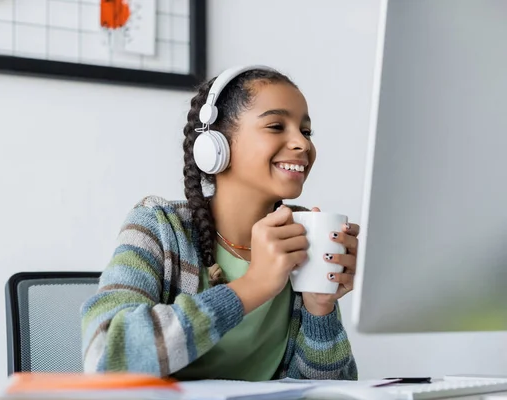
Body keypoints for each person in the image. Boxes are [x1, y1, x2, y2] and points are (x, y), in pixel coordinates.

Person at [80, 65, 359, 381]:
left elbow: (330, 390)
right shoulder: (158, 227)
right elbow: (105, 356)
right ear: (215, 145)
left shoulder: (303, 236)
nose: (302, 144)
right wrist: (253, 286)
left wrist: (319, 308)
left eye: (306, 131)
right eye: (276, 126)